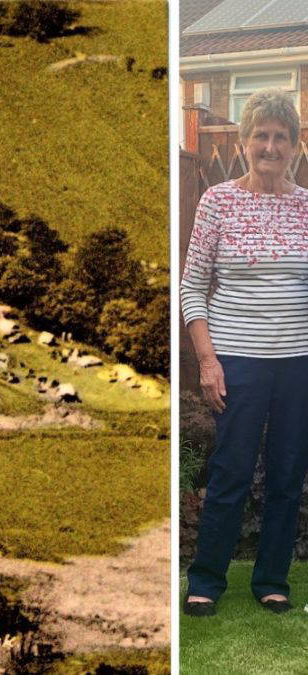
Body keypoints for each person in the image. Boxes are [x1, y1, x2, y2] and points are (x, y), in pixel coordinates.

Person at [181, 88, 308, 616]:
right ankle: (207, 579)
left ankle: (271, 578)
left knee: (287, 473)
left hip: (298, 365)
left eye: (282, 137)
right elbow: (192, 288)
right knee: (231, 471)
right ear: (243, 142)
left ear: (296, 146)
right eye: (261, 135)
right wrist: (209, 361)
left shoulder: (307, 207)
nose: (271, 146)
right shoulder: (218, 202)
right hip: (238, 363)